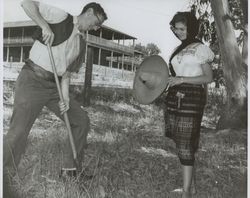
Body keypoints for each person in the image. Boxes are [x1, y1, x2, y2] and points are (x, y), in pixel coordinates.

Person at [3, 0, 107, 195]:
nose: (96, 27)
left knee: (80, 120)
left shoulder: (80, 44)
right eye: (97, 22)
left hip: (55, 88)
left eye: (99, 26)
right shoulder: (61, 17)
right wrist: (44, 26)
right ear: (89, 11)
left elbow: (66, 73)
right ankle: (4, 177)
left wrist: (66, 99)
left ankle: (69, 170)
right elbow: (27, 3)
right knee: (18, 132)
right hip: (32, 79)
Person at [164, 12, 214, 198]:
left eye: (182, 29)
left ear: (191, 28)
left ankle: (186, 192)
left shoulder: (200, 48)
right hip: (174, 96)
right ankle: (190, 186)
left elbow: (208, 78)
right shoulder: (178, 49)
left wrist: (182, 79)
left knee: (185, 143)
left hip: (192, 97)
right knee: (181, 142)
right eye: (176, 29)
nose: (178, 32)